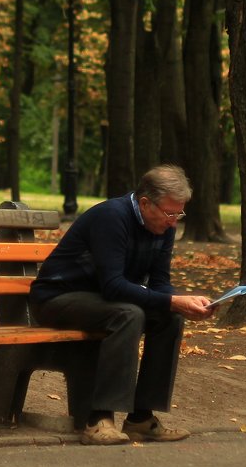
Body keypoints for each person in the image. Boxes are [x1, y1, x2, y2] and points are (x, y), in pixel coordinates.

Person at [29, 164, 214, 445]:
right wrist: (171, 300)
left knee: (170, 318)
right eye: (169, 212)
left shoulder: (163, 226)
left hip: (102, 301)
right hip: (58, 298)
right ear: (144, 203)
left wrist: (181, 304)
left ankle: (140, 418)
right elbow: (113, 285)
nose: (174, 221)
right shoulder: (112, 217)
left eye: (180, 213)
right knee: (128, 314)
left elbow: (160, 283)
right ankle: (97, 421)